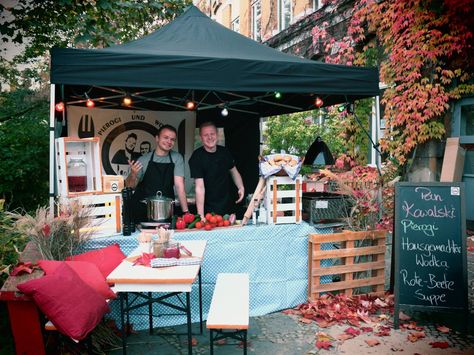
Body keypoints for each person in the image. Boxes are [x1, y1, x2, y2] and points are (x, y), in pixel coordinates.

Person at [125, 125, 189, 223]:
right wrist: (133, 174)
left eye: (172, 139)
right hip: (143, 210)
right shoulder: (144, 159)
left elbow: (179, 186)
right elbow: (130, 187)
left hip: (165, 210)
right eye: (166, 138)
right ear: (157, 138)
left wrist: (186, 212)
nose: (169, 141)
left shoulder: (177, 158)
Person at [189, 121, 244, 218]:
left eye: (212, 134)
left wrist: (241, 187)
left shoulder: (224, 152)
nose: (210, 137)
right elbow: (199, 187)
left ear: (217, 135)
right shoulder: (196, 157)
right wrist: (201, 216)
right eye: (206, 135)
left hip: (228, 207)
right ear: (201, 138)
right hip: (208, 211)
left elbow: (234, 171)